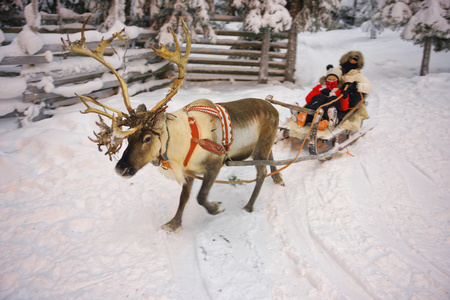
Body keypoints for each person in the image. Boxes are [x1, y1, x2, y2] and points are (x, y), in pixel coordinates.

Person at [297, 65, 349, 130]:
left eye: (334, 80)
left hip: (327, 113)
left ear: (338, 80)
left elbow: (343, 108)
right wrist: (320, 92)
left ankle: (322, 122)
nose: (331, 81)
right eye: (329, 79)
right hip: (314, 110)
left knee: (333, 99)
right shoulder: (320, 87)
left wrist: (344, 97)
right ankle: (303, 117)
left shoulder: (340, 91)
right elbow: (308, 100)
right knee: (320, 97)